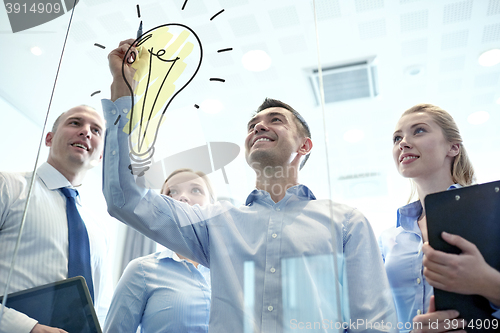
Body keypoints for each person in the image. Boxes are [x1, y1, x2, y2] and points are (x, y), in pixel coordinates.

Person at [102, 38, 397, 332]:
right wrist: (122, 88)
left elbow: (373, 324)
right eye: (252, 124)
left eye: (276, 120)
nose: (258, 126)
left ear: (304, 145)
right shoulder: (214, 224)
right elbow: (126, 199)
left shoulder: (346, 223)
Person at [379, 103, 500, 332]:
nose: (402, 143)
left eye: (419, 130)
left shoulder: (492, 213)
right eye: (396, 138)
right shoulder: (388, 239)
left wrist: (487, 282)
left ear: (453, 147)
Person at [0, 105, 112, 333]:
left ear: (100, 156)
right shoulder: (7, 187)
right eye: (75, 123)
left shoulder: (99, 231)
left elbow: (99, 307)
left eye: (96, 130)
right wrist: (26, 328)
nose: (86, 132)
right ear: (49, 138)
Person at [103, 168, 213, 333]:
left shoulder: (233, 271)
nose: (182, 197)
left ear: (213, 205)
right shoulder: (141, 271)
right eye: (172, 191)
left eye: (196, 190)